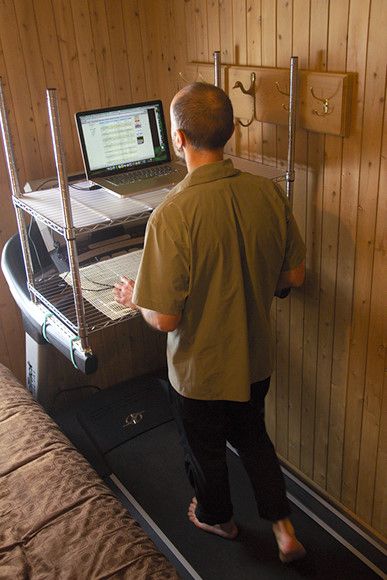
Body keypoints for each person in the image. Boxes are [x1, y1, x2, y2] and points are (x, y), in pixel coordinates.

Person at [114, 82, 306, 563]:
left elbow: (165, 317)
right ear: (230, 133)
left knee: (205, 452)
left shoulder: (172, 214)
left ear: (178, 139)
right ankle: (284, 530)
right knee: (253, 437)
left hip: (199, 374)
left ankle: (218, 518)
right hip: (255, 360)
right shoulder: (267, 192)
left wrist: (133, 297)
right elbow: (294, 275)